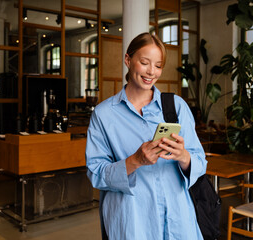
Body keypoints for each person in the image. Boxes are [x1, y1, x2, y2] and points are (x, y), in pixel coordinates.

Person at [85, 32, 207, 240]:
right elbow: (96, 173)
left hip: (178, 221)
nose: (151, 72)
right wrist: (135, 161)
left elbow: (199, 162)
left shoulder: (176, 107)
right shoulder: (103, 115)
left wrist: (183, 156)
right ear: (128, 60)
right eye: (144, 62)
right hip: (131, 224)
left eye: (158, 65)